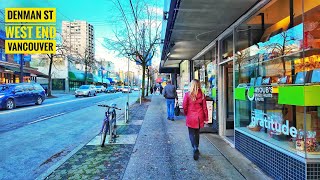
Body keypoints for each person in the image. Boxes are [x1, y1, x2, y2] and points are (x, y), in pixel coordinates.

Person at [183, 79, 208, 160]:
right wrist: (206, 117)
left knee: (191, 133)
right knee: (197, 133)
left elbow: (184, 106)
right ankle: (196, 146)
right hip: (199, 116)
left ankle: (194, 147)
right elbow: (205, 108)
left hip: (191, 116)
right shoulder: (202, 95)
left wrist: (186, 113)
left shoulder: (187, 94)